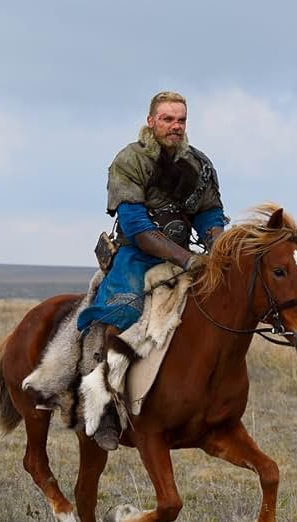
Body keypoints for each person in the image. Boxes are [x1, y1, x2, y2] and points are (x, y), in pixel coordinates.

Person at [77, 91, 227, 450]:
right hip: (137, 255)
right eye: (167, 119)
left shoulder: (199, 165)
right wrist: (188, 260)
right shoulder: (130, 160)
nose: (175, 126)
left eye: (181, 120)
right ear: (151, 121)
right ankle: (103, 402)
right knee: (123, 309)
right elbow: (137, 227)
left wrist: (218, 245)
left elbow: (209, 213)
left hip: (182, 253)